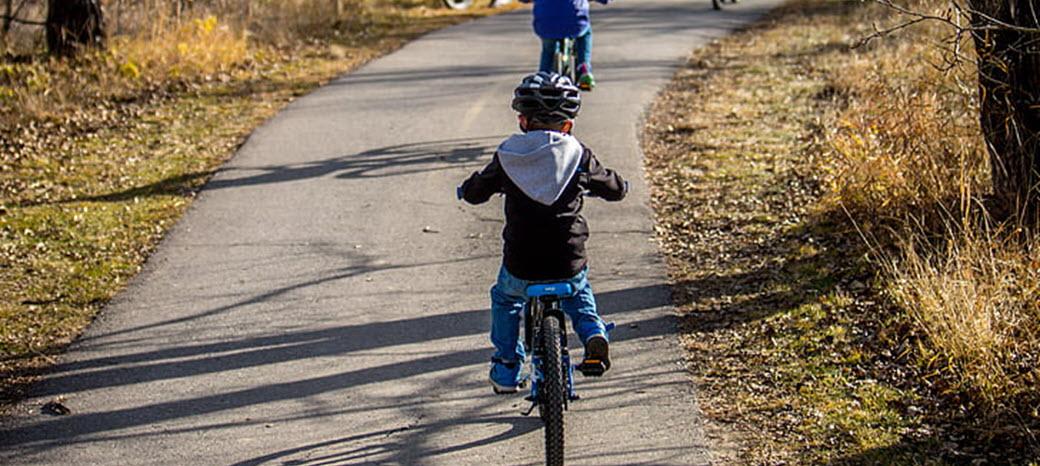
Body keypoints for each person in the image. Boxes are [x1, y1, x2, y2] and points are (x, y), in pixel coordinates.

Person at [457, 72, 628, 393]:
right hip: (568, 258)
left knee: (505, 299)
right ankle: (593, 333)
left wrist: (467, 190)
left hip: (521, 263)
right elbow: (612, 187)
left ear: (522, 121)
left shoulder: (508, 154)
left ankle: (507, 367)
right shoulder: (579, 155)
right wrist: (621, 186)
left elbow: (478, 190)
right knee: (578, 292)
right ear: (568, 125)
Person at [519, 0, 609, 90]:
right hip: (575, 20)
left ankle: (542, 78)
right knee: (585, 34)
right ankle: (584, 68)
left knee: (548, 50)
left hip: (546, 22)